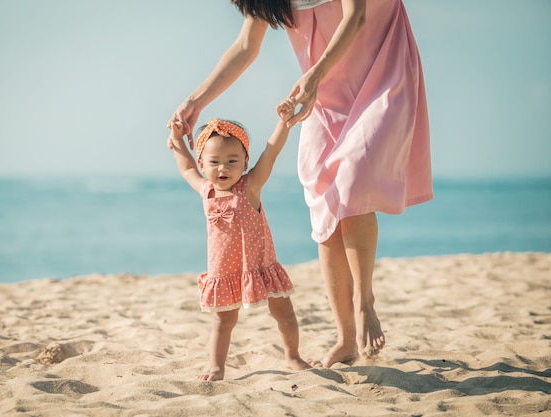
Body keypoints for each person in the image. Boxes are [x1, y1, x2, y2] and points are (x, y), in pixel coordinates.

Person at [168, 0, 433, 368]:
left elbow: (355, 16)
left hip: (380, 74)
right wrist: (194, 102)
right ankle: (345, 339)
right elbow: (246, 47)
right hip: (324, 95)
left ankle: (364, 302)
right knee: (325, 208)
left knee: (354, 179)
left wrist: (313, 75)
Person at [167, 107, 311, 381]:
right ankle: (217, 367)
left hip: (261, 266)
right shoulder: (206, 190)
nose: (224, 167)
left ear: (245, 162)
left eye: (233, 160)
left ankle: (293, 356)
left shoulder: (251, 187)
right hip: (224, 273)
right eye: (215, 161)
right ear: (203, 163)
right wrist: (176, 139)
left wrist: (283, 123)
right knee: (223, 321)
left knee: (284, 312)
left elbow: (271, 153)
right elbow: (185, 166)